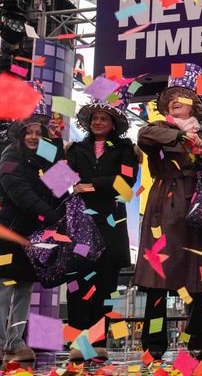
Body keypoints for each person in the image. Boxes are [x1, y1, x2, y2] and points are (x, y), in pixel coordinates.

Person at [134, 64, 202, 361]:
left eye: (181, 96)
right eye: (171, 98)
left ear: (194, 104)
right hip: (164, 205)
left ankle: (198, 339)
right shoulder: (161, 129)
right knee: (157, 279)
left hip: (194, 207)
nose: (174, 101)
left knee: (196, 277)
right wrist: (183, 139)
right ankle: (154, 343)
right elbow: (145, 135)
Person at [0, 103, 64, 367]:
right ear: (20, 133)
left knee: (24, 291)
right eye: (29, 131)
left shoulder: (41, 159)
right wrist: (55, 219)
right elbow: (22, 196)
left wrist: (58, 145)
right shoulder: (10, 157)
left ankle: (15, 342)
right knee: (0, 290)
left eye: (39, 132)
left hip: (32, 238)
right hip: (7, 235)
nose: (34, 136)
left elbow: (61, 181)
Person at [65, 93, 138, 362]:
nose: (98, 122)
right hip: (80, 223)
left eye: (103, 118)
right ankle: (78, 342)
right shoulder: (73, 149)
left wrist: (90, 184)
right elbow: (62, 181)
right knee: (78, 284)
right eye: (94, 118)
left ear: (113, 124)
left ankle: (99, 342)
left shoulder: (125, 149)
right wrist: (79, 185)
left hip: (111, 225)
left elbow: (126, 184)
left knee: (106, 287)